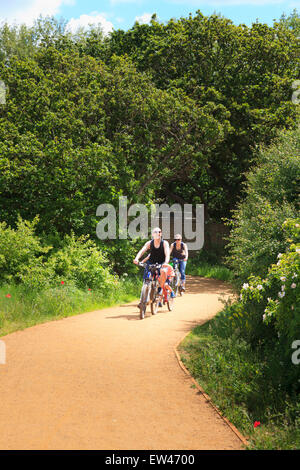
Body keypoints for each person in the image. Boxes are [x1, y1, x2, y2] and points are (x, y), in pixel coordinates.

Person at [133, 228, 175, 307]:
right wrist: (136, 258)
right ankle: (143, 299)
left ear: (161, 234)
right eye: (155, 232)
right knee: (146, 279)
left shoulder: (164, 243)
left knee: (162, 275)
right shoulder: (149, 243)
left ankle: (159, 293)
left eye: (159, 232)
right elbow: (142, 250)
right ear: (152, 234)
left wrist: (166, 262)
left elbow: (167, 253)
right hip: (151, 263)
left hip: (161, 263)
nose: (157, 233)